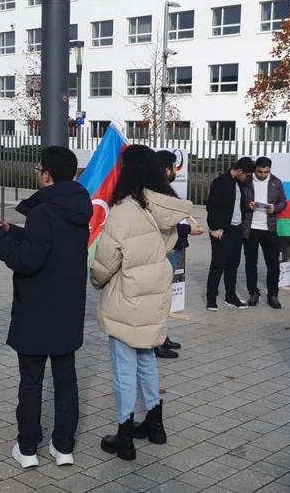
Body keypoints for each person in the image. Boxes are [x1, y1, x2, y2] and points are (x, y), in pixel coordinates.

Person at [0, 147, 93, 468]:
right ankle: (63, 447)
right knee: (65, 379)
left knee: (31, 382)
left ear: (46, 175)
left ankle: (28, 448)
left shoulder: (43, 211)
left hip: (36, 310)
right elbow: (50, 242)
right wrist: (12, 231)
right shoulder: (78, 208)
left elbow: (27, 260)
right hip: (67, 311)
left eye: (38, 170)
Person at [91, 145, 192, 461]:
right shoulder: (160, 209)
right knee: (146, 359)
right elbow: (167, 245)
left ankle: (124, 435)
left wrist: (96, 278)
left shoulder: (123, 210)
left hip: (127, 299)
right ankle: (154, 423)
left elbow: (106, 263)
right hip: (153, 298)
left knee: (124, 367)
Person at [154, 150, 205, 359]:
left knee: (165, 297)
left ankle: (162, 336)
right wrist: (187, 230)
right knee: (159, 297)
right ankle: (155, 341)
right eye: (174, 166)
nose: (177, 170)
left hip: (175, 248)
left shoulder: (166, 190)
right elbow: (163, 224)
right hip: (167, 249)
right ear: (167, 169)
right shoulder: (157, 192)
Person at [205, 157, 256, 311]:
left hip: (236, 229)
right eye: (246, 175)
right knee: (218, 265)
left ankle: (231, 297)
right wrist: (214, 228)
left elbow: (236, 205)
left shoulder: (239, 184)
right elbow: (212, 207)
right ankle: (211, 298)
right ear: (240, 171)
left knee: (233, 264)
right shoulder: (220, 182)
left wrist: (248, 207)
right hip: (221, 230)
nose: (247, 178)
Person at [241, 157, 287, 309]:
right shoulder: (246, 182)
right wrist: (248, 206)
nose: (262, 175)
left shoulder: (276, 182)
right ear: (255, 169)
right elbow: (239, 202)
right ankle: (253, 293)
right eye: (260, 172)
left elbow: (283, 201)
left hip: (269, 229)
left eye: (266, 172)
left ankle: (273, 295)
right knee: (251, 263)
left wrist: (276, 208)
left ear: (270, 170)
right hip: (251, 228)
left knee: (273, 263)